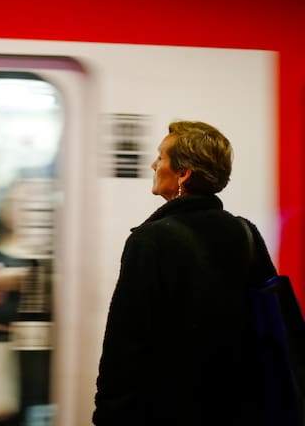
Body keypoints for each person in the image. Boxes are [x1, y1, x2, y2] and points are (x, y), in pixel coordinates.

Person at [93, 120, 277, 426]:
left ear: (183, 174)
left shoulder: (150, 240)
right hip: (237, 408)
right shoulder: (246, 233)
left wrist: (108, 414)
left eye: (161, 157)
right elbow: (269, 322)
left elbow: (125, 347)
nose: (153, 164)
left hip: (167, 409)